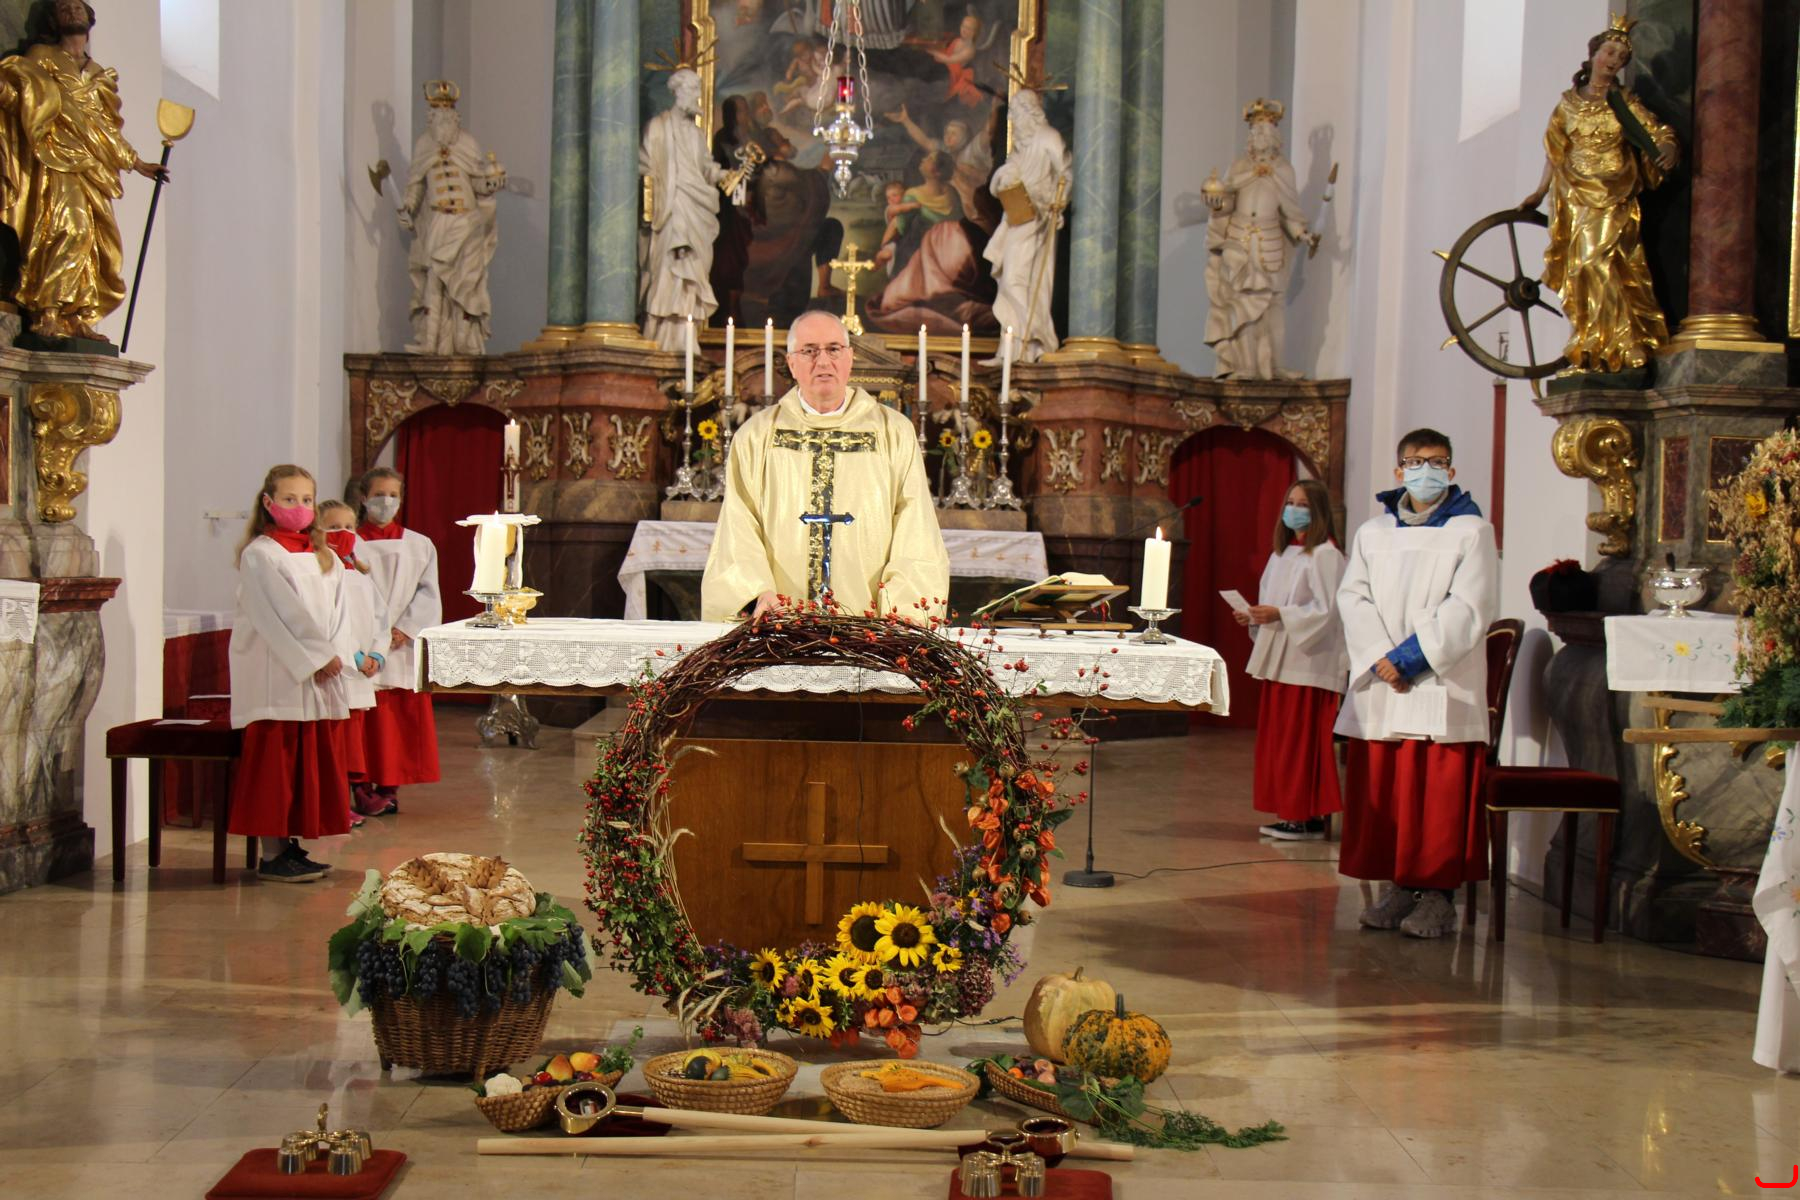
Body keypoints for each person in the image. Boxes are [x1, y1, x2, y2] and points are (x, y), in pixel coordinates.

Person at [1335, 429, 1498, 938]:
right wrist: (1381, 658)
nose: (1425, 470)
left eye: (1436, 462)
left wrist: (1409, 660)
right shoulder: (1372, 532)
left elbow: (1471, 606)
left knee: (1435, 793)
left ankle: (1439, 897)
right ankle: (1400, 888)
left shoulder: (1472, 530)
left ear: (1451, 471)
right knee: (1388, 790)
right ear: (1398, 470)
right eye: (1414, 461)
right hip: (1383, 681)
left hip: (1440, 680)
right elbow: (1352, 597)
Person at [701, 310, 948, 622]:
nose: (822, 361)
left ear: (850, 358)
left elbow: (916, 528)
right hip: (781, 626)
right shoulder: (756, 436)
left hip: (871, 629)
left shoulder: (893, 432)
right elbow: (737, 527)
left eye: (833, 349)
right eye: (808, 351)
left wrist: (902, 610)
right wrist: (757, 594)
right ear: (791, 363)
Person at [0, 0, 169, 342]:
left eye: (77, 8)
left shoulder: (98, 74)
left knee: (95, 240)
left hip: (93, 165)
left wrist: (137, 163)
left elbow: (105, 129)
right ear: (54, 21)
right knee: (69, 228)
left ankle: (74, 314)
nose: (72, 12)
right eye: (64, 9)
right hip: (56, 157)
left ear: (90, 19)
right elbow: (24, 93)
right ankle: (47, 310)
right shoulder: (42, 56)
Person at [1518, 14, 1678, 373]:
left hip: (1614, 194)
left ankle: (1624, 341)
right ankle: (1592, 339)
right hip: (1576, 195)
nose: (1613, 61)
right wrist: (1539, 192)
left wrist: (1667, 147)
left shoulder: (1624, 103)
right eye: (1608, 52)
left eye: (1620, 58)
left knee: (1599, 262)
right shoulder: (1567, 105)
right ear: (1593, 55)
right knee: (1580, 269)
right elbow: (1556, 154)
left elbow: (1657, 131)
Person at [227, 465, 351, 883]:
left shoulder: (324, 555)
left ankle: (290, 846)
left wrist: (334, 653)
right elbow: (277, 614)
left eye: (306, 500)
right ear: (268, 503)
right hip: (277, 670)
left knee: (304, 761)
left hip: (318, 670)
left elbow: (340, 611)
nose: (299, 507)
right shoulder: (260, 554)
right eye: (289, 499)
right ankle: (271, 853)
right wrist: (317, 657)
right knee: (275, 765)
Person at [1234, 478, 1348, 841]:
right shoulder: (1281, 555)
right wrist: (1254, 616)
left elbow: (1327, 611)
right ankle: (1290, 811)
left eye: (1303, 505)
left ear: (1318, 513)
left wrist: (1279, 614)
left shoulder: (1326, 555)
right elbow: (1273, 602)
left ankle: (1304, 816)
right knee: (1280, 743)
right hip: (1280, 659)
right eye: (1290, 503)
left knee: (1300, 744)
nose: (1294, 510)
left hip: (1309, 662)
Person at [1201, 99, 1317, 380]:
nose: (1260, 136)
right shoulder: (1238, 167)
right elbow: (1226, 202)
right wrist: (1217, 204)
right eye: (1256, 131)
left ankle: (1274, 366)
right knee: (1241, 305)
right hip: (1239, 242)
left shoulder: (1284, 170)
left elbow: (1289, 210)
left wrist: (1302, 233)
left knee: (1273, 308)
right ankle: (1245, 367)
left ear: (1275, 136)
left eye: (1265, 131)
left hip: (1269, 245)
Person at [354, 467, 442, 816]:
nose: (386, 501)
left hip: (399, 645)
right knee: (363, 719)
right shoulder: (349, 542)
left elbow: (429, 593)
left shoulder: (419, 544)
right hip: (363, 643)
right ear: (363, 498)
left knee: (394, 721)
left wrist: (404, 628)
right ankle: (360, 786)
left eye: (393, 495)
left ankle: (389, 787)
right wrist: (370, 633)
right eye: (379, 494)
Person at [397, 80, 505, 355]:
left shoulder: (468, 143)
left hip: (467, 221)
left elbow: (478, 183)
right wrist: (408, 208)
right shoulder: (424, 145)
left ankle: (464, 340)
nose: (443, 120)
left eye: (448, 115)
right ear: (430, 118)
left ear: (456, 117)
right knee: (434, 277)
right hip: (438, 221)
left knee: (466, 282)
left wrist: (490, 184)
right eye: (438, 115)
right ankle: (430, 341)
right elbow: (416, 185)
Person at [640, 68, 734, 349]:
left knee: (693, 268)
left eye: (697, 91)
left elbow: (705, 167)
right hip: (670, 205)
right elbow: (644, 165)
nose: (697, 97)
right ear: (678, 92)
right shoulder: (658, 127)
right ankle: (662, 334)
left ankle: (684, 332)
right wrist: (654, 196)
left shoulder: (695, 133)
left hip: (696, 207)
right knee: (670, 266)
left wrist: (723, 175)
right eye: (693, 91)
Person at [983, 90, 1069, 363]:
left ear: (1029, 112)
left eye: (1016, 113)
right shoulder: (1021, 144)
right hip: (1017, 215)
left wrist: (1059, 201)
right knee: (1009, 279)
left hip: (1038, 216)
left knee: (1017, 280)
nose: (1012, 119)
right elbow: (1004, 176)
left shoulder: (1048, 137)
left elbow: (1066, 172)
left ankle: (1037, 337)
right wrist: (1004, 180)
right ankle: (1012, 347)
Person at [318, 498, 385, 824]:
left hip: (360, 675)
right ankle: (332, 806)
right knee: (332, 745)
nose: (342, 533)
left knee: (348, 747)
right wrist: (353, 655)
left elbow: (380, 618)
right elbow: (327, 623)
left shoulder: (360, 575)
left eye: (348, 527)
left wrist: (376, 654)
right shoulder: (320, 574)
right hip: (338, 671)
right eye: (333, 527)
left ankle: (346, 801)